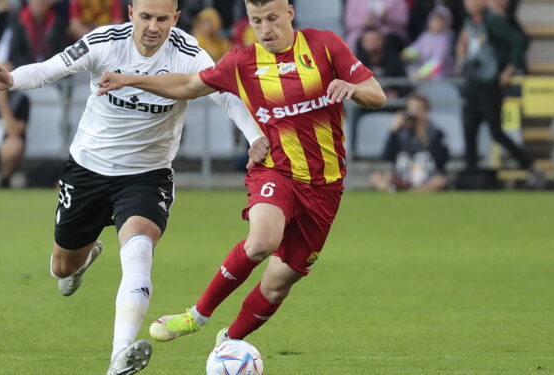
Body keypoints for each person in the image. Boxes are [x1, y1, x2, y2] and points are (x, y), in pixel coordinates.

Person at [0, 0, 269, 373]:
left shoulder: (188, 53)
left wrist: (254, 136)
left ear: (175, 19)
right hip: (88, 169)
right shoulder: (105, 41)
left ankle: (120, 356)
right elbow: (51, 69)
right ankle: (83, 260)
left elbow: (226, 94)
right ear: (130, 13)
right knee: (63, 268)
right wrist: (13, 79)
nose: (152, 26)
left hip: (148, 175)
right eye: (145, 16)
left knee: (139, 249)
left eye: (162, 19)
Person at [96, 0, 385, 349]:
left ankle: (229, 342)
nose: (265, 29)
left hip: (326, 187)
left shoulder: (324, 45)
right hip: (275, 172)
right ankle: (195, 316)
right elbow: (188, 85)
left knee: (278, 283)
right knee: (263, 241)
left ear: (290, 14)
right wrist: (130, 79)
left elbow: (377, 94)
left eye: (273, 19)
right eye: (257, 21)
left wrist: (352, 89)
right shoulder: (242, 62)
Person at [456, 0, 539, 182]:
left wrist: (509, 70)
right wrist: (461, 56)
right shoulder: (471, 21)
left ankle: (530, 167)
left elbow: (519, 41)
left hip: (489, 84)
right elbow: (465, 42)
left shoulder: (493, 21)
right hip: (473, 83)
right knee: (469, 128)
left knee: (496, 132)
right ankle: (472, 172)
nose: (468, 3)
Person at [370, 94, 450, 192]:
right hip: (402, 176)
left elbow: (443, 160)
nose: (414, 114)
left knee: (440, 181)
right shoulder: (399, 132)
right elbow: (385, 157)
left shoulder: (435, 132)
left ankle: (411, 191)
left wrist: (423, 136)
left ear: (426, 112)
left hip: (426, 176)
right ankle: (395, 189)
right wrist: (393, 132)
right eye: (411, 109)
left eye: (418, 110)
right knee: (375, 177)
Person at [9, 0, 69, 67]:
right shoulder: (19, 22)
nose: (38, 6)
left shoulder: (57, 23)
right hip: (26, 68)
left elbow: (60, 49)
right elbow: (16, 52)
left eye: (41, 3)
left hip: (50, 68)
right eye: (35, 2)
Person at [401, 5, 454, 81]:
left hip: (438, 79)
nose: (437, 23)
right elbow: (416, 48)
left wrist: (421, 74)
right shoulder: (425, 36)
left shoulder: (445, 40)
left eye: (441, 21)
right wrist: (407, 53)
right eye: (435, 20)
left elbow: (437, 62)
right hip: (420, 76)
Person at [344, 0, 409, 53]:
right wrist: (365, 21)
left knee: (392, 41)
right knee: (362, 42)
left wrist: (386, 16)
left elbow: (404, 20)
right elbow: (349, 22)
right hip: (362, 33)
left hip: (389, 34)